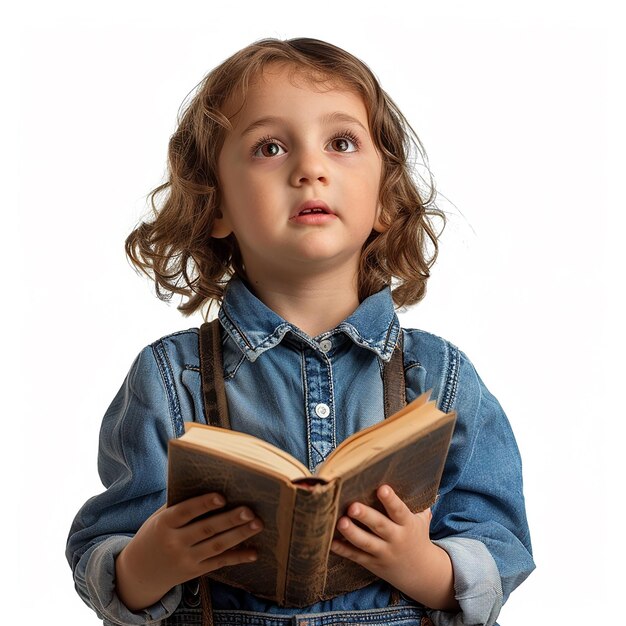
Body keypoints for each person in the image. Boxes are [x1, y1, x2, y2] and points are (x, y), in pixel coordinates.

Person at [66, 37, 534, 626]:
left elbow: (500, 545)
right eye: (269, 147)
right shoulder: (168, 378)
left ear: (384, 200)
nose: (309, 168)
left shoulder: (442, 378)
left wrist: (422, 566)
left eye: (341, 143)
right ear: (217, 206)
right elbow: (103, 555)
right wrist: (151, 562)